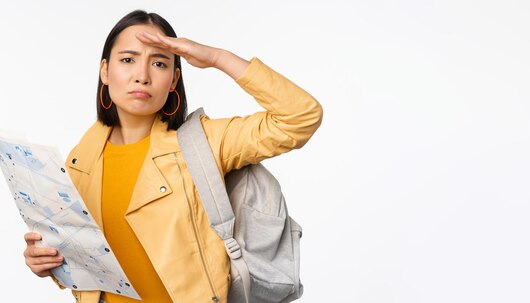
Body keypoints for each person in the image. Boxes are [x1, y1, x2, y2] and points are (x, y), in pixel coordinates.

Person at [21, 9, 322, 303]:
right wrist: (48, 263)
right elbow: (89, 264)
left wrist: (218, 58)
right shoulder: (81, 160)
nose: (142, 76)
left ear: (174, 79)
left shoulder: (204, 143)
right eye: (128, 60)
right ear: (105, 72)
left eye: (160, 64)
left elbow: (300, 117)